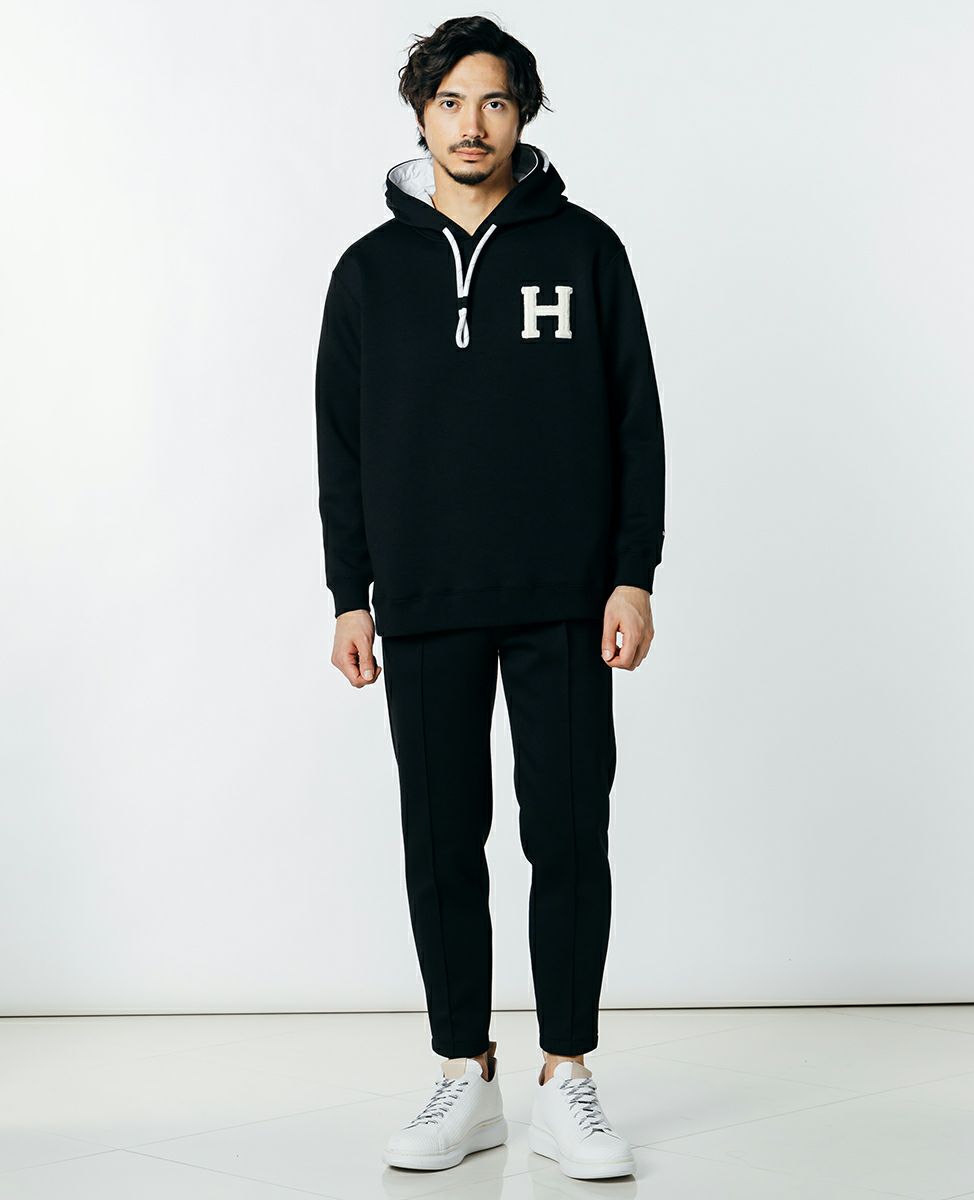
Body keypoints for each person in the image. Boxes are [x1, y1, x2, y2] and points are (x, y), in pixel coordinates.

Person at [314, 14, 665, 1181]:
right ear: (421, 113)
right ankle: (463, 1074)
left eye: (497, 101)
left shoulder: (588, 250)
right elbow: (340, 448)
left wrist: (632, 573)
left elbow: (635, 422)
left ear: (524, 116)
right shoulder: (368, 274)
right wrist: (349, 594)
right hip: (421, 598)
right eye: (453, 101)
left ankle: (568, 1076)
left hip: (566, 595)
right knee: (440, 841)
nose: (474, 124)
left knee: (567, 835)